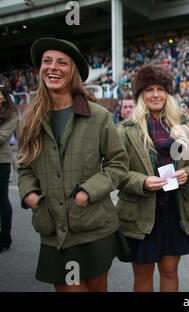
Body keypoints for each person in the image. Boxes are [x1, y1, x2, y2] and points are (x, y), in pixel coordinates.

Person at [17, 37, 129, 291]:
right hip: (54, 230)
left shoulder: (98, 115)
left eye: (62, 62)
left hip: (94, 227)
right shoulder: (29, 119)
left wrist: (87, 192)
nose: (53, 67)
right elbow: (24, 167)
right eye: (47, 61)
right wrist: (30, 195)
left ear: (73, 72)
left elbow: (117, 163)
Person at [116, 64, 189, 292]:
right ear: (140, 95)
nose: (155, 94)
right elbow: (115, 172)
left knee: (170, 271)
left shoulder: (183, 126)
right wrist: (141, 182)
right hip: (141, 212)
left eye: (161, 89)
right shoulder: (125, 130)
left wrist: (188, 174)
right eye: (149, 89)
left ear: (168, 93)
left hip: (174, 210)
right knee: (143, 276)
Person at [0, 86, 18, 252]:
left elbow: (2, 137)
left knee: (2, 199)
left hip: (2, 162)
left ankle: (5, 235)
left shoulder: (11, 114)